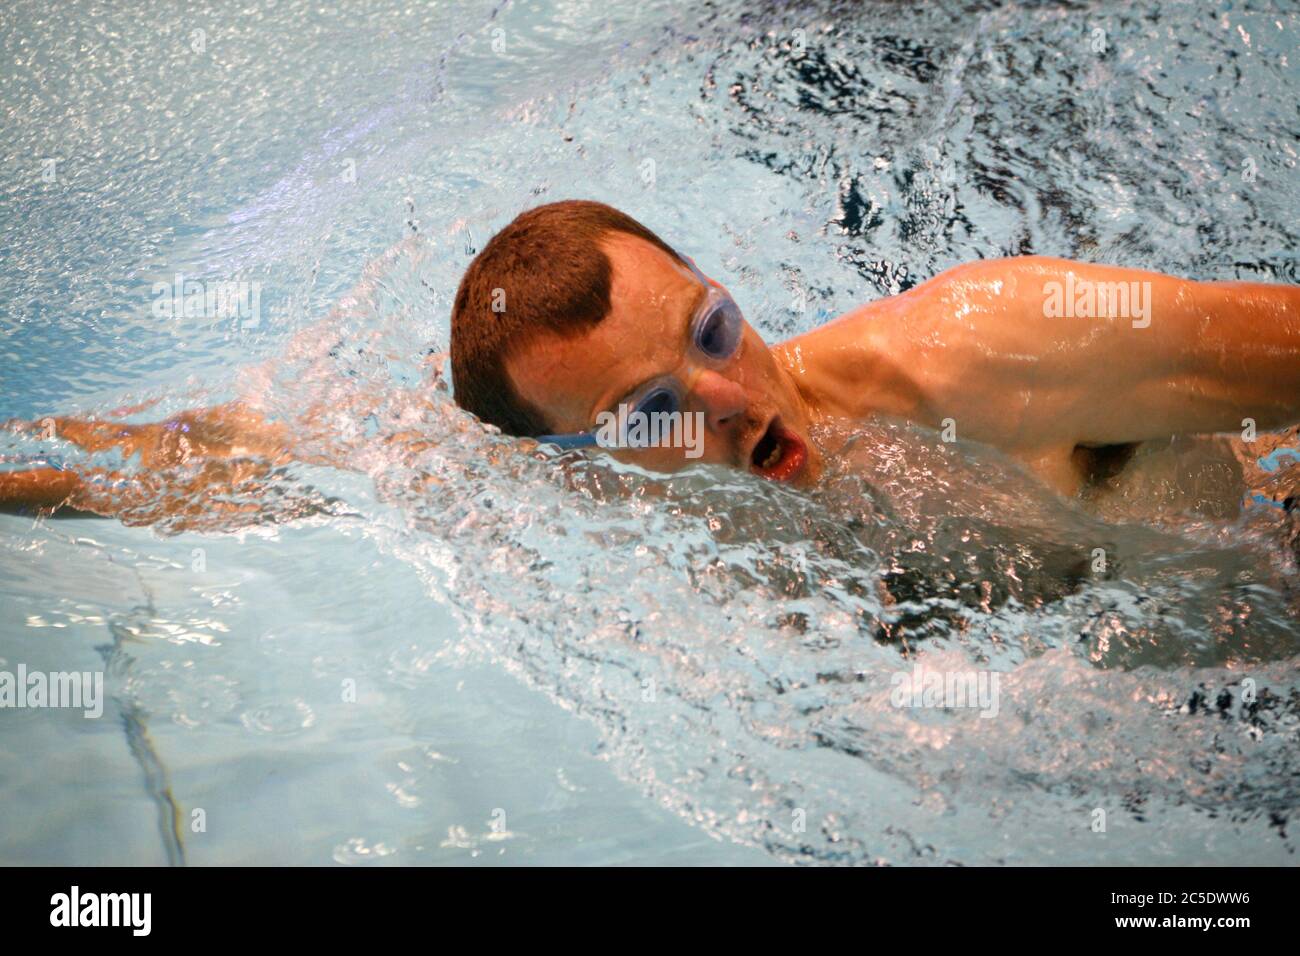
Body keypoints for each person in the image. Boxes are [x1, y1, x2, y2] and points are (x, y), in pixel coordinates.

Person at [3, 199, 1298, 518]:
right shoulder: (587, 481)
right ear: (584, 449)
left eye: (715, 334)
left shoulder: (990, 348)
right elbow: (227, 460)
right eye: (654, 410)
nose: (730, 402)